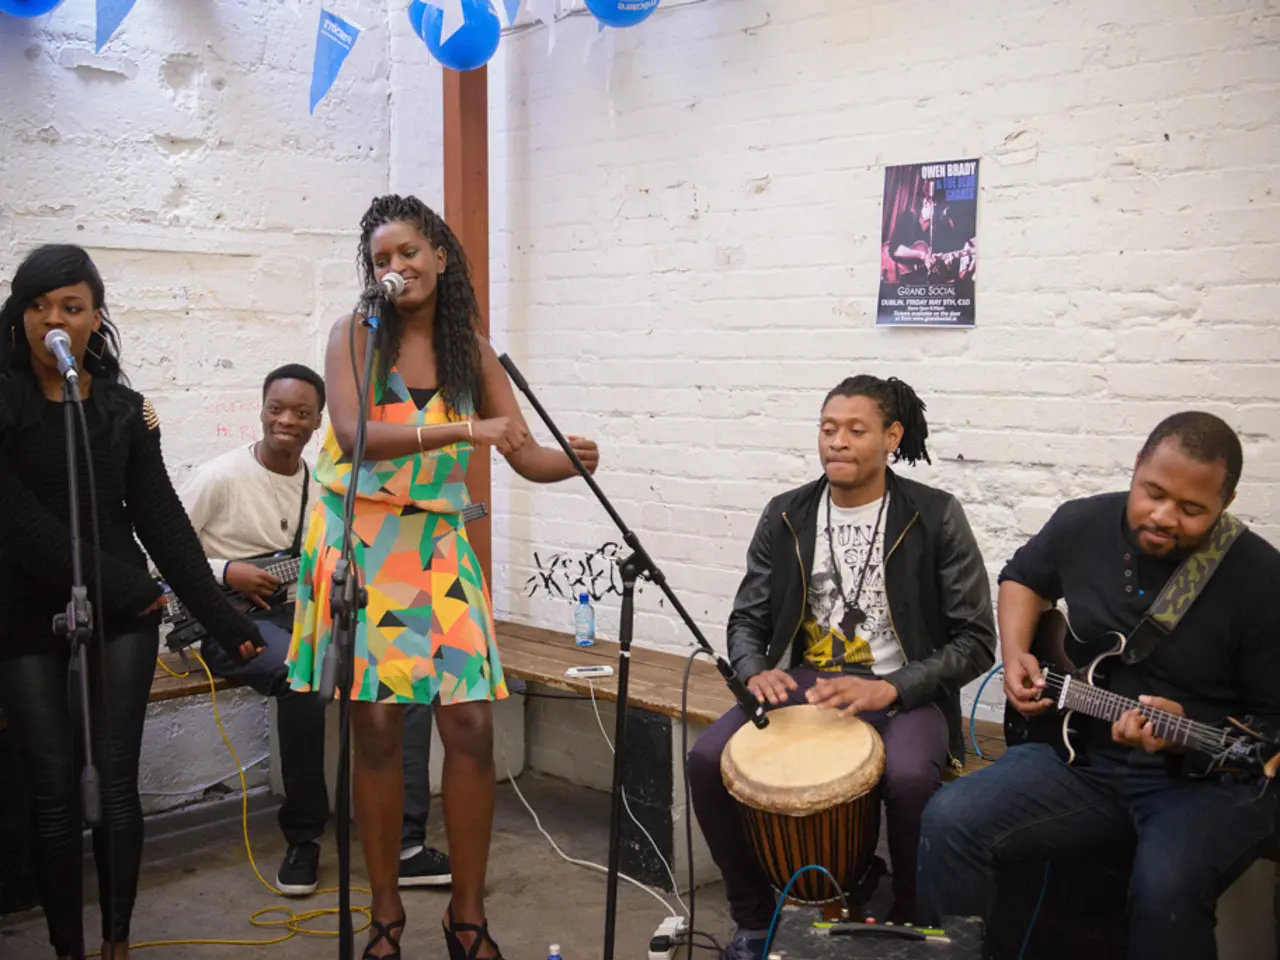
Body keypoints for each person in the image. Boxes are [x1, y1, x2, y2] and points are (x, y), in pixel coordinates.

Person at [286, 194, 600, 960]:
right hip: (364, 541)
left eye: (407, 253)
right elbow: (356, 432)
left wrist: (571, 462)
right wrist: (463, 429)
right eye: (381, 259)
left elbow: (521, 450)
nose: (395, 267)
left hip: (438, 544)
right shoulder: (356, 333)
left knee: (470, 725)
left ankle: (467, 918)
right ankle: (385, 917)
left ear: (440, 257)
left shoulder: (472, 349)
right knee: (377, 729)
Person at [917, 412, 1280, 960]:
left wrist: (1185, 735)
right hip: (1080, 756)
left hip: (1204, 786)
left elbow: (1271, 726)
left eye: (1191, 509)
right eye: (1153, 493)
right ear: (1136, 468)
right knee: (949, 819)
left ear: (1225, 503)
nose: (1164, 516)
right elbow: (1021, 577)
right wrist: (1015, 655)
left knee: (1165, 892)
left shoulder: (1261, 579)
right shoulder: (1083, 522)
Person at [0, 245, 262, 960]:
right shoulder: (5, 404)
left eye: (71, 307)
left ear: (95, 318)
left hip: (123, 618)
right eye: (38, 306)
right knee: (53, 790)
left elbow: (162, 520)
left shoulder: (124, 411)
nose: (53, 319)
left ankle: (117, 942)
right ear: (20, 315)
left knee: (117, 781)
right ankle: (68, 949)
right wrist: (133, 586)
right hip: (26, 614)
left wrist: (222, 618)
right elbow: (20, 526)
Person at [688, 375, 997, 960]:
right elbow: (748, 617)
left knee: (909, 779)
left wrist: (894, 688)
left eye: (856, 430)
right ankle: (754, 921)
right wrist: (753, 670)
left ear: (891, 437)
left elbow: (977, 641)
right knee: (706, 760)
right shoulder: (787, 514)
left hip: (904, 691)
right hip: (806, 685)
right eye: (828, 429)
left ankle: (908, 921)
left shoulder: (934, 515)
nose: (838, 442)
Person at [178, 364, 451, 894]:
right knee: (298, 680)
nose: (287, 420)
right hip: (231, 620)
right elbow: (158, 554)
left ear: (319, 420)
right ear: (261, 410)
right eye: (277, 409)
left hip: (303, 613)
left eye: (301, 413)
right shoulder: (219, 477)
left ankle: (406, 844)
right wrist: (226, 571)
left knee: (404, 676)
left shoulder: (321, 482)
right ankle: (304, 839)